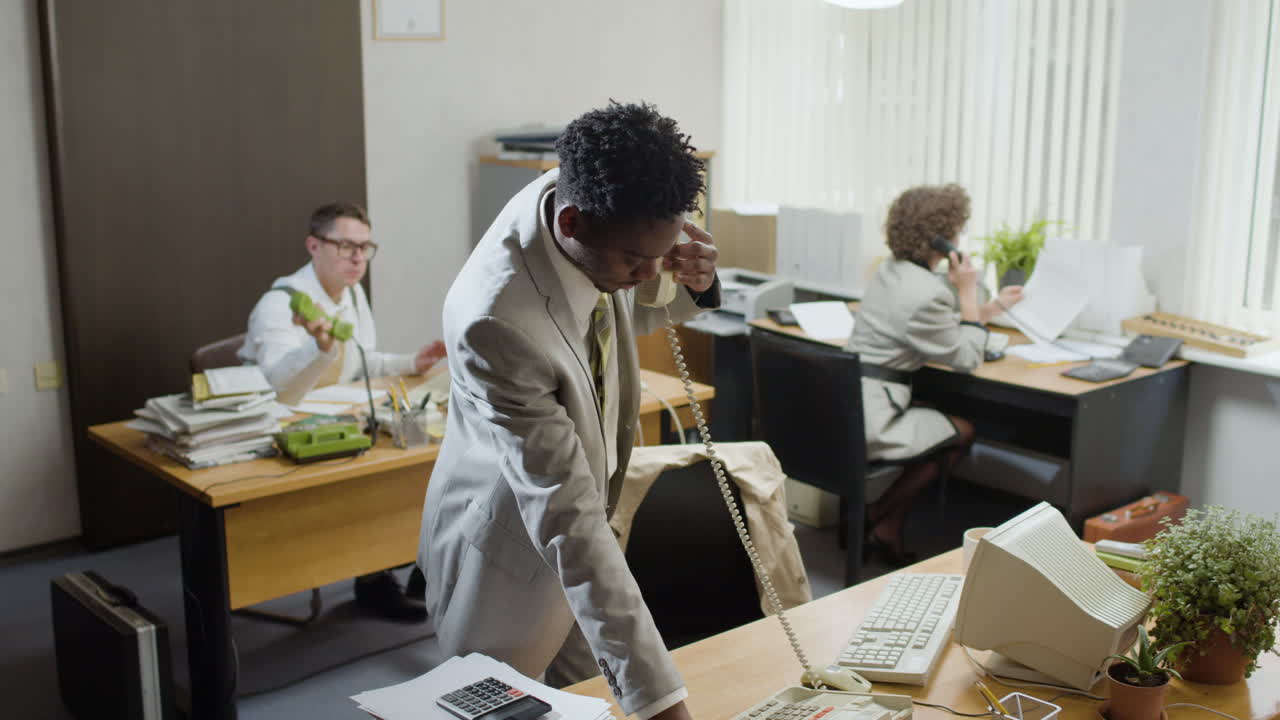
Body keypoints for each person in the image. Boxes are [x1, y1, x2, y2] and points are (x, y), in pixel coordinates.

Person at [416, 102, 719, 720]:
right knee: (506, 708)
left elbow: (622, 301)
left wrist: (696, 282)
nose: (648, 274)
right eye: (639, 262)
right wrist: (663, 704)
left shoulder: (593, 200)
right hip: (512, 555)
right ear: (574, 223)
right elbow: (566, 514)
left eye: (660, 255)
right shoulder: (496, 323)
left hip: (592, 539)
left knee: (594, 697)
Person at [239, 201, 446, 621]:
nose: (357, 258)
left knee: (411, 462)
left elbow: (358, 364)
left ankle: (404, 566)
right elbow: (281, 388)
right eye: (346, 246)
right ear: (314, 245)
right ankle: (375, 577)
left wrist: (412, 362)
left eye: (365, 248)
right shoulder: (280, 304)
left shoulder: (351, 295)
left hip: (339, 418)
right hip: (284, 433)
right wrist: (319, 347)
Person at [847, 184, 1024, 566]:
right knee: (962, 432)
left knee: (934, 410)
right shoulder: (927, 293)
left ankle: (887, 523)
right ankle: (879, 514)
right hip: (874, 418)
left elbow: (940, 322)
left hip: (852, 402)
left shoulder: (891, 272)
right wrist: (969, 289)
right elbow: (966, 355)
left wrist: (989, 307)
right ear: (943, 239)